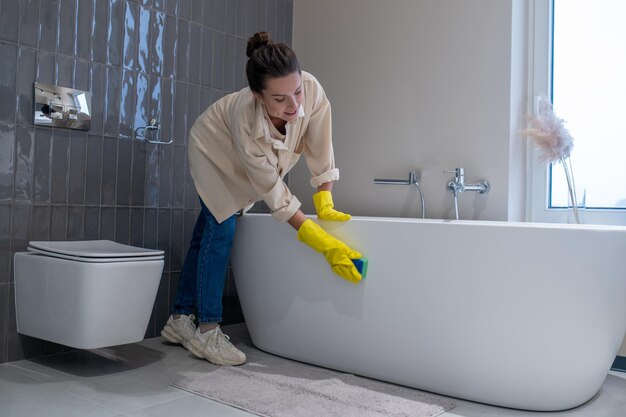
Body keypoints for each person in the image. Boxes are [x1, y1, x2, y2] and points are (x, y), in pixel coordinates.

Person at [160, 32, 363, 366]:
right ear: (258, 96)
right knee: (221, 227)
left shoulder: (310, 90)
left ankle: (180, 319)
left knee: (207, 232)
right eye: (280, 99)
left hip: (244, 159)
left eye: (296, 91)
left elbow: (320, 141)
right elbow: (275, 194)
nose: (294, 104)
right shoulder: (245, 119)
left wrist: (324, 195)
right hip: (215, 151)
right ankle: (207, 330)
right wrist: (324, 244)